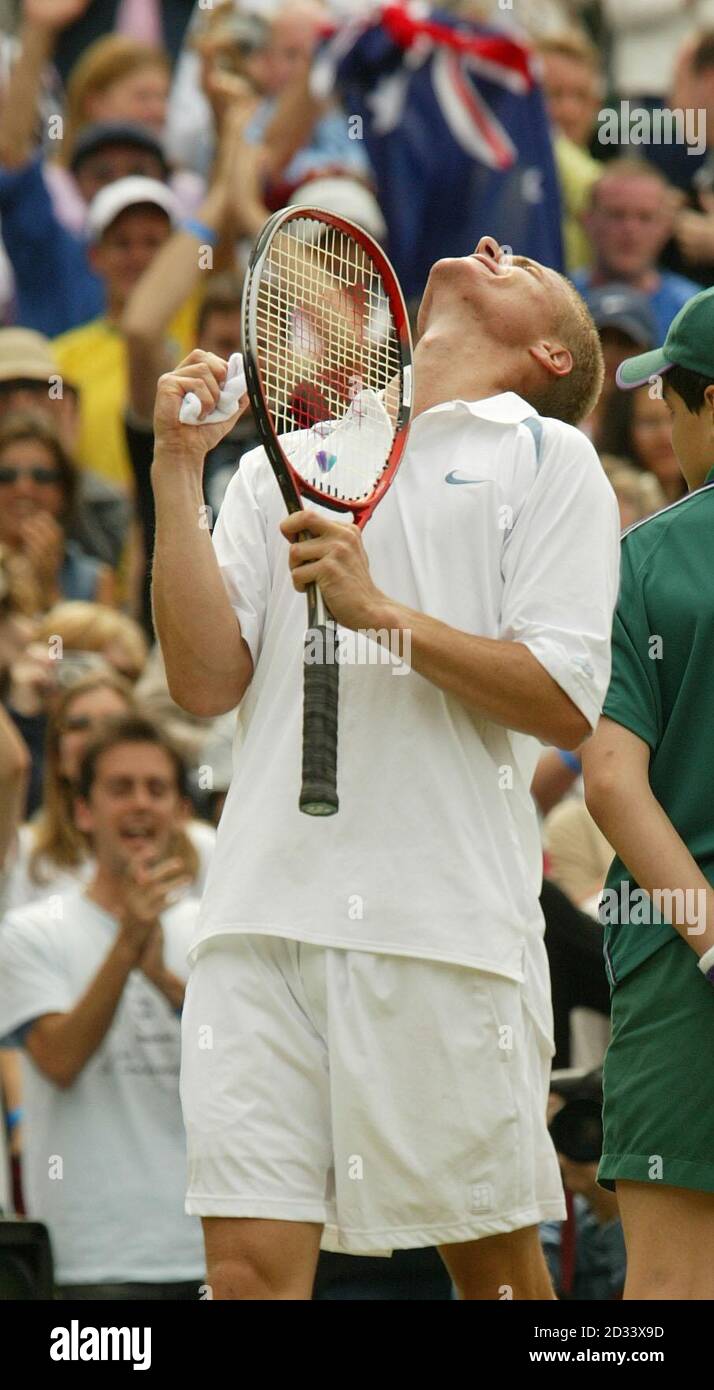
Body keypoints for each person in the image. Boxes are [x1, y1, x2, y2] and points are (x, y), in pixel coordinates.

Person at [151, 234, 621, 1299]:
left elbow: (560, 695)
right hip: (259, 920)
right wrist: (179, 470)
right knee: (244, 1274)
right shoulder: (289, 459)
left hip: (439, 930)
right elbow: (203, 680)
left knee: (494, 1273)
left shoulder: (549, 459)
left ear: (552, 356)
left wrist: (378, 616)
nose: (496, 245)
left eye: (534, 270)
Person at [583, 285, 714, 1299]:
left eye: (670, 395)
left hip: (684, 970)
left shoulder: (650, 556)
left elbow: (613, 779)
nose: (663, 420)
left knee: (670, 1292)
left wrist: (708, 934)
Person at [0, 715, 205, 1298]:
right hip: (90, 1257)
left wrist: (164, 980)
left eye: (157, 789)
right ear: (84, 812)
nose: (140, 804)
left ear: (181, 813)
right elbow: (59, 1061)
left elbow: (243, 1066)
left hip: (207, 1248)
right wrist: (126, 948)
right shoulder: (31, 931)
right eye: (120, 789)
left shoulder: (212, 931)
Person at [53, 174, 199, 490]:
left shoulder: (205, 333)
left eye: (152, 242)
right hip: (98, 529)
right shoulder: (61, 356)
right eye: (122, 243)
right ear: (95, 257)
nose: (138, 257)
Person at [573, 160, 701, 342]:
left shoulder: (693, 313)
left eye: (645, 217)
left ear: (666, 227)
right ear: (588, 221)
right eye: (616, 214)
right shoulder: (556, 303)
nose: (630, 230)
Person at [0, 412, 116, 609]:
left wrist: (49, 589)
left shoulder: (95, 580)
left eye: (42, 476)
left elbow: (98, 640)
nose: (23, 488)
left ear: (64, 492)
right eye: (6, 475)